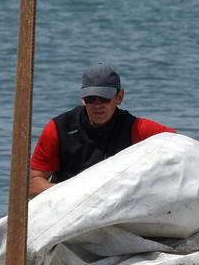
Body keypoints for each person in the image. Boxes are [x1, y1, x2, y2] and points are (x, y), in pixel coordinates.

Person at [28, 63, 176, 196]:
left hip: (118, 203)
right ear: (82, 99)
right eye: (91, 98)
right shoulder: (59, 129)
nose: (98, 105)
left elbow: (185, 148)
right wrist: (71, 192)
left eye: (105, 98)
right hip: (69, 202)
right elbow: (32, 185)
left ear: (119, 97)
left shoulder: (137, 129)